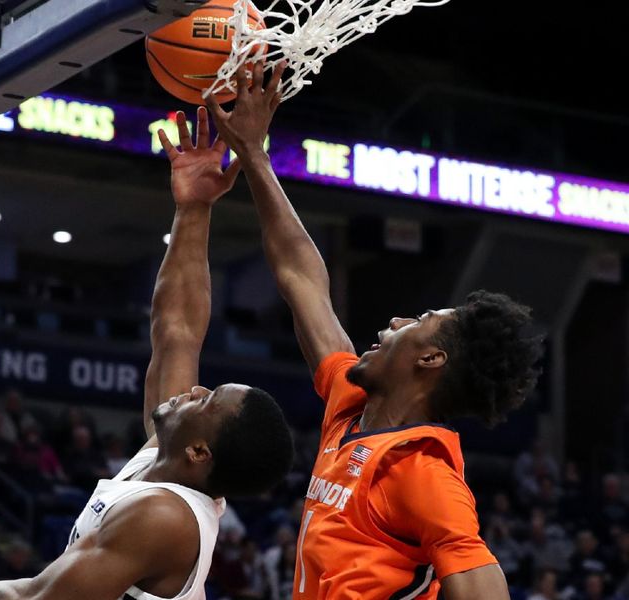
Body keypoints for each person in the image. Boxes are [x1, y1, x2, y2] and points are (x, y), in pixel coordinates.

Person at [206, 61, 545, 599]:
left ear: (431, 359)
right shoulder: (350, 405)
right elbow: (302, 280)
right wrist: (253, 155)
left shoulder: (421, 472)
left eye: (420, 321)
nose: (396, 322)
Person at [0, 107, 294, 600]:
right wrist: (194, 207)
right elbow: (176, 332)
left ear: (200, 452)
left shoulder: (164, 516)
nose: (194, 389)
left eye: (206, 400)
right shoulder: (165, 456)